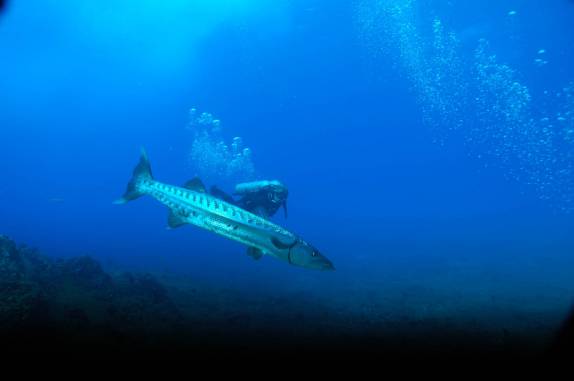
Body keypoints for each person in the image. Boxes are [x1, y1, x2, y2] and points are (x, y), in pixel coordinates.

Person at [210, 180, 288, 219]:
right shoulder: (265, 193)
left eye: (282, 198)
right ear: (274, 193)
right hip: (247, 203)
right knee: (232, 205)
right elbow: (256, 204)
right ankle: (216, 190)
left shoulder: (279, 202)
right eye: (279, 197)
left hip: (253, 212)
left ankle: (216, 191)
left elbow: (271, 212)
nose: (280, 199)